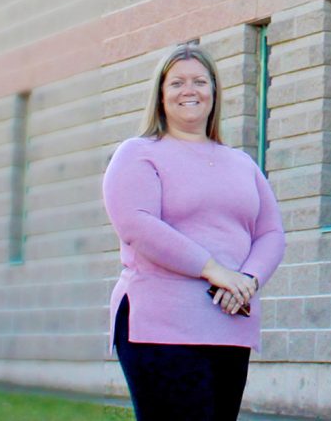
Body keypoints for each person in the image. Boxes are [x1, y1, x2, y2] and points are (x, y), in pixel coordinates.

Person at [103, 43, 285, 421]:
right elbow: (138, 224)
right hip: (160, 326)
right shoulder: (138, 153)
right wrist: (214, 270)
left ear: (214, 93)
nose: (190, 91)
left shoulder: (241, 163)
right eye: (177, 83)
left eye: (200, 81)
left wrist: (246, 281)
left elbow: (270, 233)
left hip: (229, 323)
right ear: (160, 94)